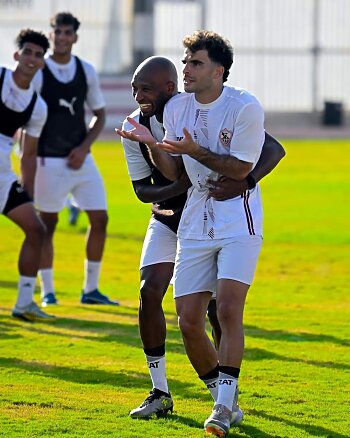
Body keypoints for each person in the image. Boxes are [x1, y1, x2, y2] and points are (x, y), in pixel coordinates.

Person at [116, 55, 285, 421]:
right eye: (134, 88)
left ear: (169, 88)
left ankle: (226, 393)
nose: (138, 96)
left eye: (145, 89)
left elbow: (272, 148)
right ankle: (160, 390)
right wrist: (173, 187)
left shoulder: (192, 109)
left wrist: (246, 181)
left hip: (207, 219)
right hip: (169, 219)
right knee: (150, 292)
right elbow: (143, 189)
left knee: (216, 309)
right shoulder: (133, 125)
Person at [32, 12, 119, 307]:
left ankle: (90, 290)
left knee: (101, 218)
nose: (62, 38)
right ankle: (48, 291)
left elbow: (100, 114)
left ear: (75, 38)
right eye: (57, 32)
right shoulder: (39, 71)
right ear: (51, 34)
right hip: (48, 159)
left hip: (81, 159)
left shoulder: (86, 70)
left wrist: (84, 148)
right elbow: (27, 116)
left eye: (67, 33)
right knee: (47, 224)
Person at [0, 29, 55, 321]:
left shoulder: (38, 106)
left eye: (38, 55)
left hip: (3, 176)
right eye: (28, 52)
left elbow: (28, 154)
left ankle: (23, 303)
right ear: (16, 55)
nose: (32, 59)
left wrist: (28, 192)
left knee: (36, 230)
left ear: (42, 62)